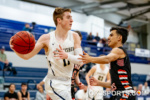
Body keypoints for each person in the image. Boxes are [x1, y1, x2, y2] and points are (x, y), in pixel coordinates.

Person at [10, 7, 83, 100]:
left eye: (71, 17)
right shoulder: (46, 38)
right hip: (54, 82)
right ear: (59, 20)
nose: (72, 20)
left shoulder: (74, 36)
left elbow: (80, 61)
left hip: (68, 83)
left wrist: (66, 55)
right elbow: (27, 56)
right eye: (68, 17)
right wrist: (14, 48)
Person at [79, 27, 135, 100]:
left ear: (119, 38)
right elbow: (113, 84)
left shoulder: (118, 50)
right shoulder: (116, 55)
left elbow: (107, 59)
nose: (108, 37)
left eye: (111, 35)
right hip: (118, 93)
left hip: (125, 93)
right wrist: (99, 83)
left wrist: (90, 59)